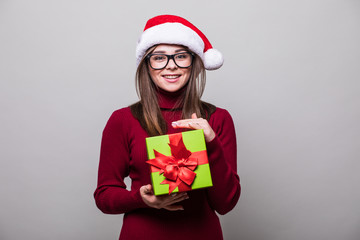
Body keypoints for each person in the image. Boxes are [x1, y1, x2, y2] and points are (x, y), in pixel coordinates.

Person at [94, 15, 241, 240]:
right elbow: (104, 196)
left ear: (194, 63)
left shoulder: (218, 119)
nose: (171, 65)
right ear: (146, 64)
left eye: (181, 56)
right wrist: (140, 199)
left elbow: (226, 203)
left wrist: (211, 143)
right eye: (159, 57)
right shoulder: (122, 120)